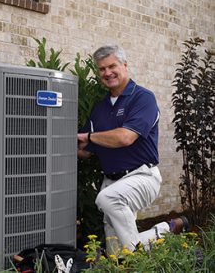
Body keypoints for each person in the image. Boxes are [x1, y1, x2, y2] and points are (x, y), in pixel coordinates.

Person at [77, 44, 188, 254]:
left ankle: (164, 229)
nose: (107, 73)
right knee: (115, 250)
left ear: (125, 65)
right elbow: (85, 150)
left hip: (142, 176)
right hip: (111, 180)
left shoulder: (143, 98)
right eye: (102, 69)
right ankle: (155, 238)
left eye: (112, 66)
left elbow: (126, 137)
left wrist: (89, 136)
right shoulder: (99, 109)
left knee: (106, 199)